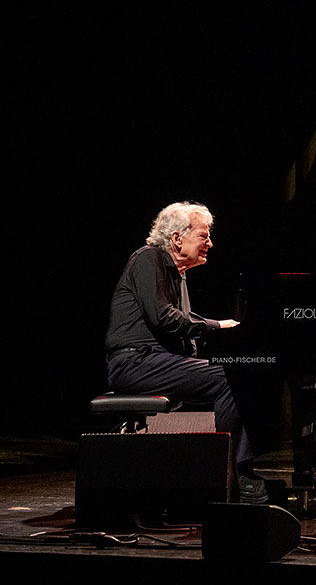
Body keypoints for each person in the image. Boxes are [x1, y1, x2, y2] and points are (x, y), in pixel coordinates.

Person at [105, 201, 267, 504]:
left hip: (154, 362)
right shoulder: (148, 259)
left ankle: (226, 472)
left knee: (239, 370)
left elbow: (182, 337)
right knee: (229, 375)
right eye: (203, 236)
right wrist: (217, 326)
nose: (210, 243)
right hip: (134, 362)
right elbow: (163, 317)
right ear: (178, 238)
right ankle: (234, 474)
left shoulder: (177, 275)